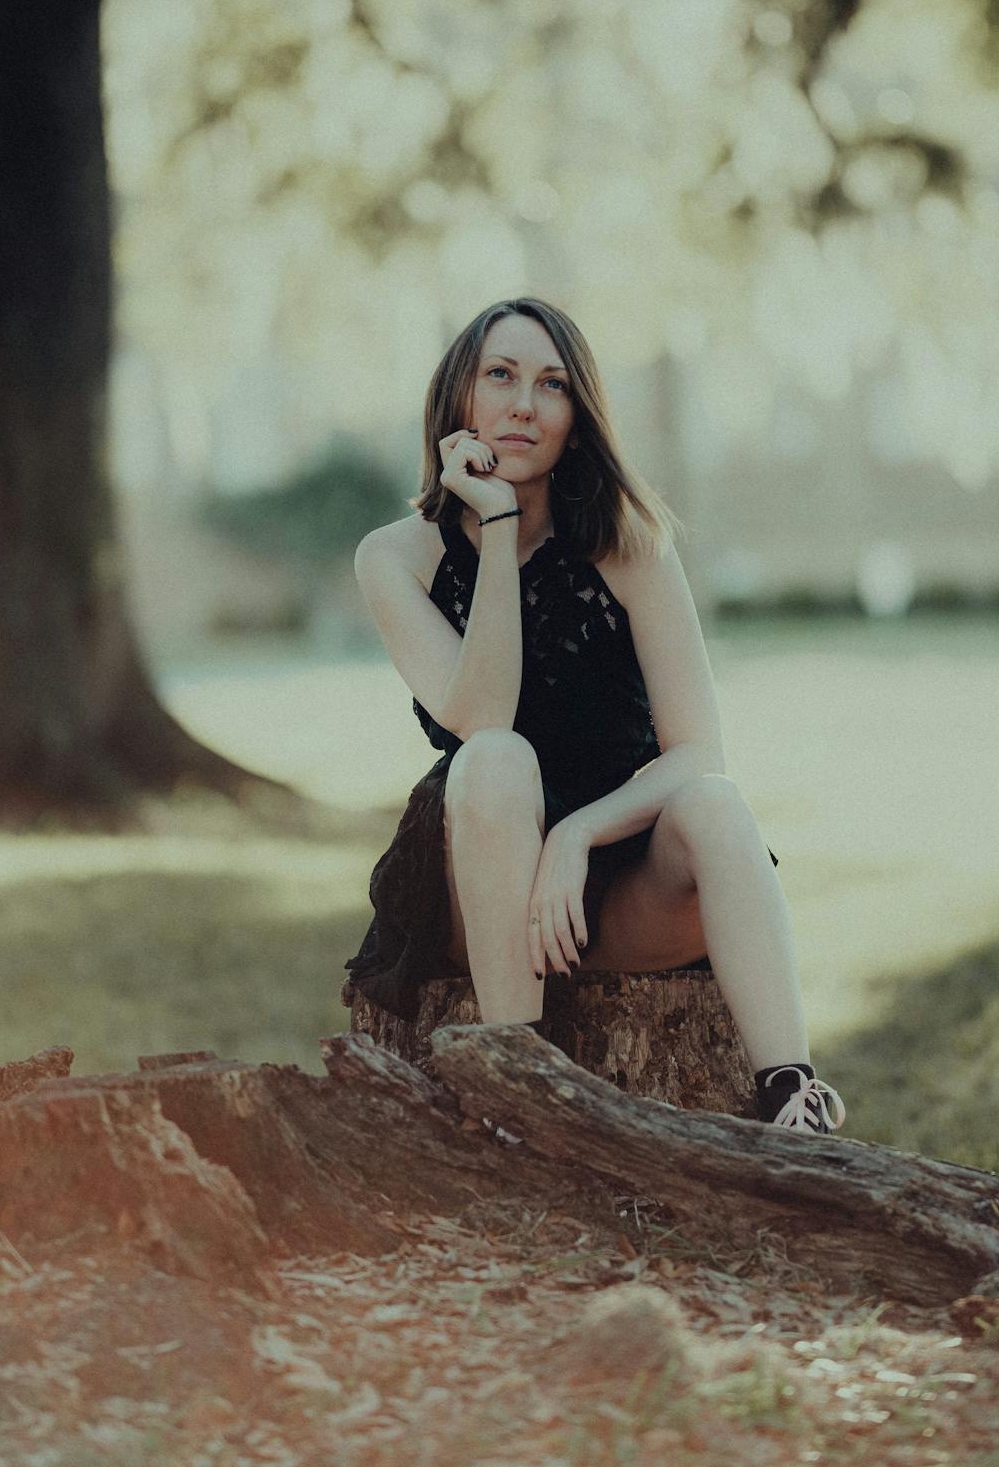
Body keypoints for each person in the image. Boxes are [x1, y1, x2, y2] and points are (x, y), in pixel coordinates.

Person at [343, 297, 846, 1135]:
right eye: (499, 375)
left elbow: (698, 750)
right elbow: (482, 713)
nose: (522, 404)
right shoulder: (394, 557)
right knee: (498, 757)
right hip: (484, 877)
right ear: (458, 399)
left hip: (612, 883)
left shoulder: (628, 542)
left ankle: (792, 1097)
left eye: (551, 385)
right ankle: (523, 1096)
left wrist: (576, 837)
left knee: (715, 807)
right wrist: (497, 526)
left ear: (576, 421)